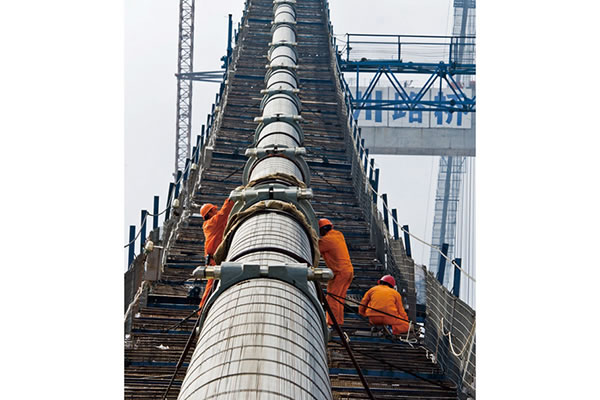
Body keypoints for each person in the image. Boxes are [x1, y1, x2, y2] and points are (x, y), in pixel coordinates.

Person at [198, 198, 234, 309]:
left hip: (218, 257)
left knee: (213, 284)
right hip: (214, 260)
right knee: (211, 286)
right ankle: (203, 310)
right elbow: (224, 213)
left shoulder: (216, 224)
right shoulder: (211, 224)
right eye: (214, 210)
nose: (216, 211)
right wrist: (231, 200)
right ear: (209, 213)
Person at [318, 218, 354, 328]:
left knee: (332, 298)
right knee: (339, 298)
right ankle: (338, 322)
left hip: (340, 273)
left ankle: (331, 323)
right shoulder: (338, 235)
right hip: (348, 271)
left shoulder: (327, 241)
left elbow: (315, 249)